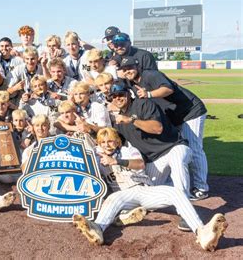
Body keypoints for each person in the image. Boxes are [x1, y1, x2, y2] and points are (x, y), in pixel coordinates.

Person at [72, 127, 228, 252]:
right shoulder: (95, 155)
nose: (106, 145)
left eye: (110, 141)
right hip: (121, 196)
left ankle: (202, 232)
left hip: (142, 191)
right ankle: (98, 228)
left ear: (118, 142)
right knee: (114, 199)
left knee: (175, 192)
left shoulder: (128, 150)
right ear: (98, 143)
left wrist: (116, 161)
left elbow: (140, 164)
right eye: (102, 142)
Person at [119, 60, 209, 200]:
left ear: (137, 66)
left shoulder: (150, 75)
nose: (127, 71)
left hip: (190, 112)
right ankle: (176, 184)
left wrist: (148, 94)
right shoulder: (130, 83)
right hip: (175, 116)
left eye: (130, 67)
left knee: (194, 148)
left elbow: (168, 89)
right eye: (124, 69)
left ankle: (201, 187)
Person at [108, 84, 192, 198]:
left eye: (120, 94)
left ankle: (184, 202)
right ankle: (177, 190)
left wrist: (132, 120)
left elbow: (157, 128)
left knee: (177, 162)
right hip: (153, 159)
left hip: (173, 147)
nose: (117, 98)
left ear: (128, 94)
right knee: (151, 195)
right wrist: (89, 128)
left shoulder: (143, 104)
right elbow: (112, 139)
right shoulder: (119, 121)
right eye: (113, 96)